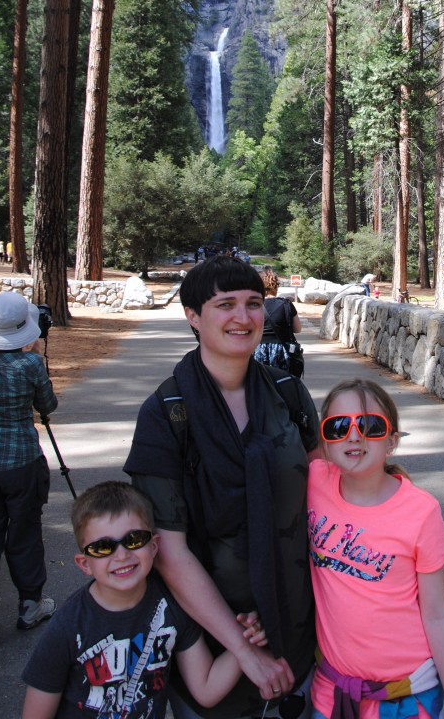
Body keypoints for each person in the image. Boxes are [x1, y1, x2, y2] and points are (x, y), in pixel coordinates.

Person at [124, 256, 320, 719]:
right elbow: (169, 550)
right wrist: (243, 650)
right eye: (225, 304)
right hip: (208, 635)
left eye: (254, 303)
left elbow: (328, 499)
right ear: (193, 316)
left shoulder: (289, 395)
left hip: (296, 615)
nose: (243, 317)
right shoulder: (165, 413)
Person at [21, 481, 266, 719]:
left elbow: (205, 689)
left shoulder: (171, 605)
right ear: (85, 563)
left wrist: (245, 640)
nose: (122, 555)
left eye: (134, 539)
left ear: (154, 546)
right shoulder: (67, 627)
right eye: (103, 547)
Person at [308, 378, 444, 719]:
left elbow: (438, 613)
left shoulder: (421, 511)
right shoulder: (313, 482)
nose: (353, 435)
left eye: (369, 425)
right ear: (325, 442)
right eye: (338, 426)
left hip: (407, 700)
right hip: (332, 694)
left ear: (392, 441)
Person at [0, 292, 58, 652]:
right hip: (21, 462)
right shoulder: (30, 367)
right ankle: (29, 605)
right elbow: (48, 406)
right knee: (24, 532)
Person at [253, 268, 303, 376]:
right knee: (282, 384)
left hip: (258, 351)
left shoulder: (254, 305)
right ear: (276, 286)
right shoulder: (286, 304)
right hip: (282, 351)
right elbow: (298, 329)